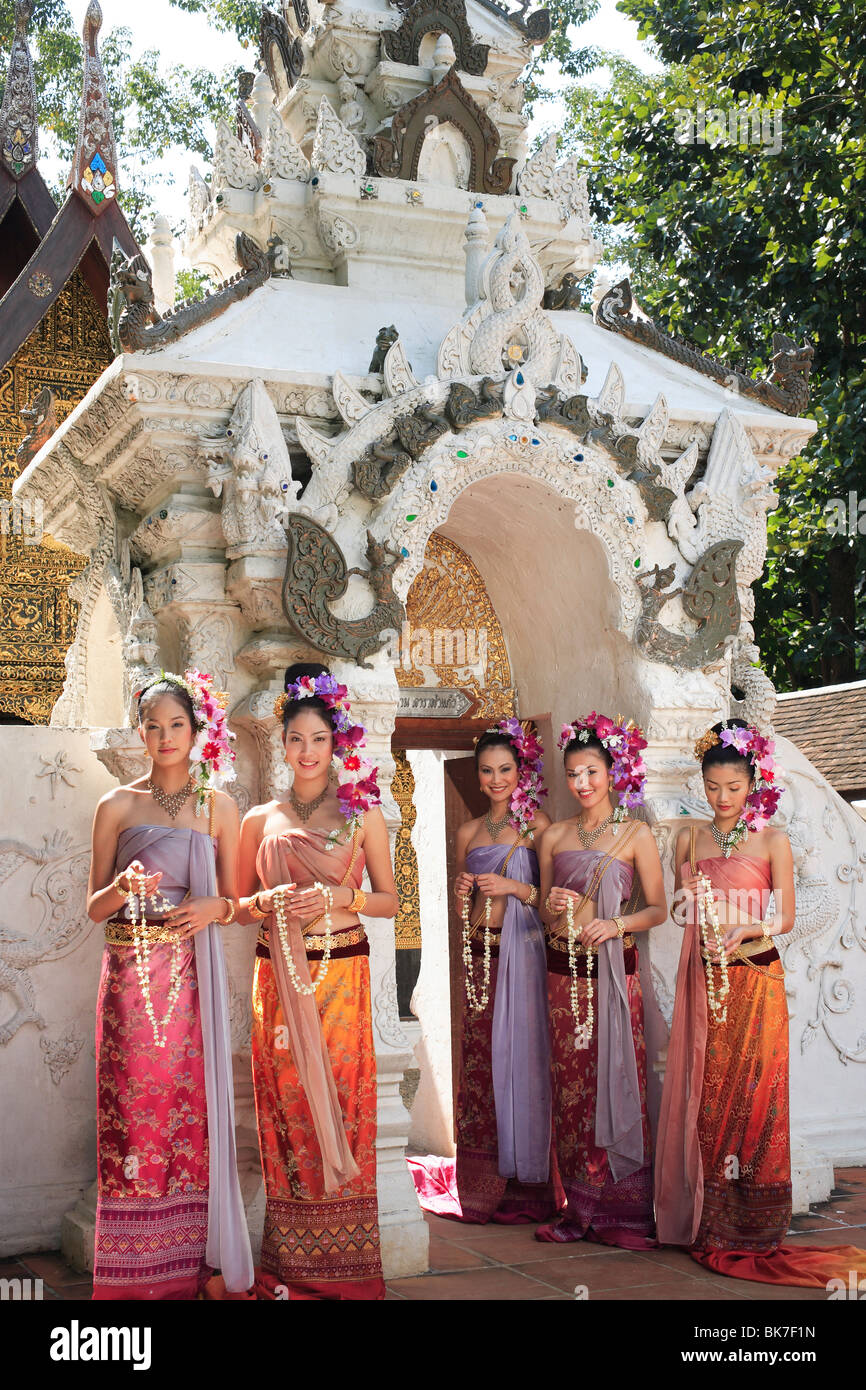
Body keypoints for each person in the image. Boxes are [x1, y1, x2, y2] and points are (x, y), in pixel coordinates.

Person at [655, 718, 866, 1286]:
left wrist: (749, 928)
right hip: (704, 978)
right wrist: (695, 907)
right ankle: (707, 1217)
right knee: (708, 1091)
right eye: (713, 786)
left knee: (755, 1094)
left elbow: (787, 918)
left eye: (733, 787)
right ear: (702, 783)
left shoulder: (773, 839)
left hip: (756, 977)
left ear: (753, 784)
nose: (722, 798)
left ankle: (750, 1223)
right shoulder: (689, 838)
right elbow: (681, 913)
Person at [86, 670, 253, 1300]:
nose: (164, 737)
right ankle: (130, 1273)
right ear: (141, 732)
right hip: (128, 984)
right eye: (152, 726)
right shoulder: (117, 806)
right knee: (131, 1112)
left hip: (188, 983)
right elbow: (93, 906)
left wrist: (216, 908)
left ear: (196, 729)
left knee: (187, 1115)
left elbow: (235, 902)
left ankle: (186, 1265)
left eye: (175, 725)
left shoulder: (219, 807)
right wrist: (122, 889)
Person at [236, 664, 398, 1300]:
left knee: (342, 1100)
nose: (306, 752)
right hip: (277, 978)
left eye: (319, 740)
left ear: (338, 745)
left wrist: (342, 892)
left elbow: (390, 900)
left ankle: (346, 1269)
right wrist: (268, 899)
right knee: (288, 1105)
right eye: (295, 740)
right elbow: (237, 904)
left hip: (342, 976)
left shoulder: (363, 813)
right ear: (282, 745)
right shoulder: (260, 819)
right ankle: (289, 1264)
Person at [409, 719, 555, 1223]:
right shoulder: (468, 831)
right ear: (476, 775)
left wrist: (514, 889)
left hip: (526, 957)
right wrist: (461, 894)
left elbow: (551, 904)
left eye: (506, 769)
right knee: (480, 1062)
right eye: (487, 771)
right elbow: (462, 906)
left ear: (521, 771)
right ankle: (480, 1180)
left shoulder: (537, 827)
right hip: (479, 956)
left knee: (523, 1055)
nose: (496, 779)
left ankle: (527, 1185)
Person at [536, 712, 667, 1247]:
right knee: (571, 1088)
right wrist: (550, 905)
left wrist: (616, 923)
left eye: (590, 771)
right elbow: (544, 914)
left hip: (615, 977)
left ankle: (623, 1212)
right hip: (562, 977)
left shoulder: (636, 835)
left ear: (613, 772)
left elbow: (658, 909)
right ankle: (577, 1209)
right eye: (572, 774)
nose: (581, 784)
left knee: (617, 1079)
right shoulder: (555, 836)